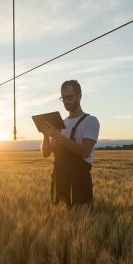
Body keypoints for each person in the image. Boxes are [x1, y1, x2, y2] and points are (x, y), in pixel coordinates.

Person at [41, 80, 100, 208]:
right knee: (59, 219)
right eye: (63, 98)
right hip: (59, 179)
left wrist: (58, 136)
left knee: (81, 220)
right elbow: (46, 153)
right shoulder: (59, 124)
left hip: (79, 180)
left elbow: (85, 151)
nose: (66, 101)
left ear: (79, 96)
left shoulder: (91, 121)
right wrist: (46, 134)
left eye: (70, 97)